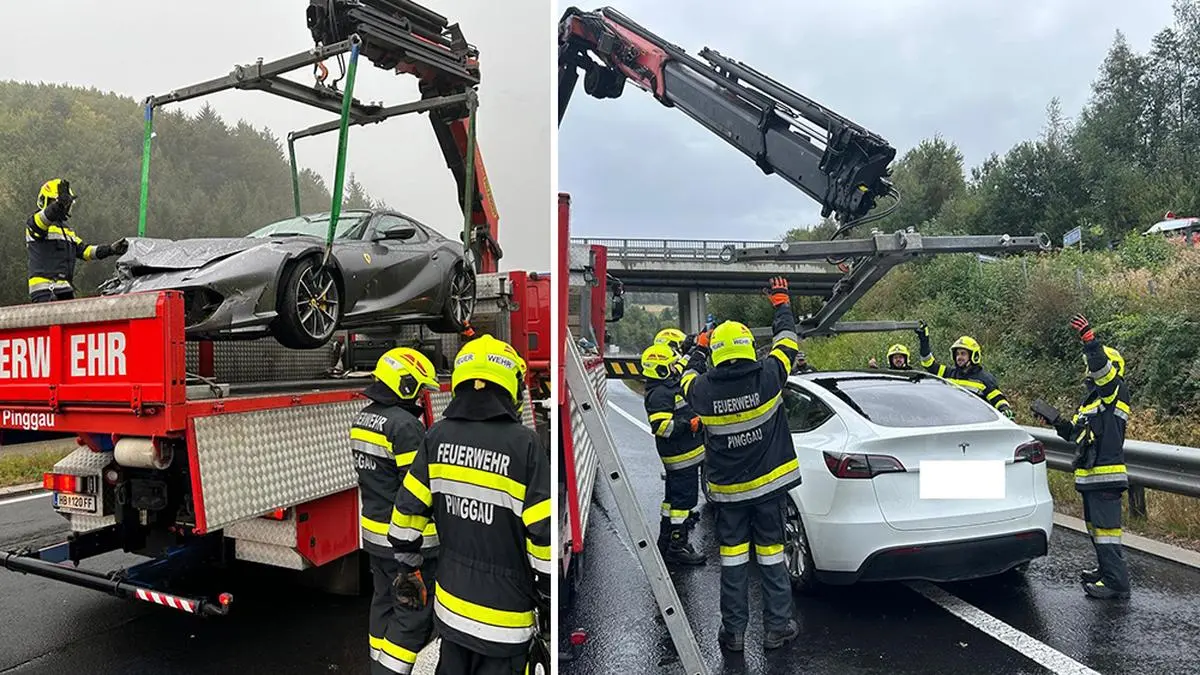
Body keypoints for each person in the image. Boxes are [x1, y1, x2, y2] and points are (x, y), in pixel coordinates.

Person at [388, 335, 550, 674]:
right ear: (509, 383)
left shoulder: (436, 436)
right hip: (505, 621)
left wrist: (407, 565)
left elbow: (406, 512)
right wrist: (548, 598)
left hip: (450, 613)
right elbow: (543, 536)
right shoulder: (525, 446)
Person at [680, 276, 801, 652]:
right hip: (768, 492)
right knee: (772, 559)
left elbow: (685, 378)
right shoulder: (769, 376)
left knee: (732, 566)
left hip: (729, 496)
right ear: (749, 348)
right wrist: (781, 305)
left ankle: (733, 634)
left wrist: (699, 349)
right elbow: (787, 344)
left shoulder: (702, 390)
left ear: (717, 352)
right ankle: (776, 629)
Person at [351, 347, 443, 675]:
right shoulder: (405, 427)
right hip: (407, 543)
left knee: (383, 604)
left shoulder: (364, 417)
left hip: (374, 537)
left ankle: (377, 663)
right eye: (418, 388)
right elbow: (415, 491)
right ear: (404, 385)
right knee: (413, 615)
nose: (420, 396)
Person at [1034, 314, 1132, 599]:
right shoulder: (1091, 403)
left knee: (1106, 531)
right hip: (1090, 475)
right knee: (1095, 530)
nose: (1088, 372)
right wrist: (1055, 421)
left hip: (1105, 475)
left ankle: (1116, 583)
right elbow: (1077, 436)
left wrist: (1090, 340)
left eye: (1093, 367)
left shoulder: (1114, 392)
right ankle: (1106, 571)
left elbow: (1102, 370)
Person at [641, 342, 706, 566]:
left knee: (672, 501)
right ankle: (678, 546)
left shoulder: (666, 385)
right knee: (683, 502)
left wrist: (700, 347)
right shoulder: (659, 394)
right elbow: (662, 428)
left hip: (682, 458)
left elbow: (683, 365)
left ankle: (666, 538)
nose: (674, 367)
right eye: (669, 365)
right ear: (659, 369)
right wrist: (690, 424)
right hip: (680, 458)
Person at [26, 179, 128, 303]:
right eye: (66, 203)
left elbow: (85, 251)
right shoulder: (36, 222)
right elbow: (41, 221)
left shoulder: (66, 230)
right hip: (45, 291)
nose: (68, 206)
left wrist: (110, 249)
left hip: (64, 290)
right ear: (51, 201)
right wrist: (57, 206)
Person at [916, 322, 1014, 418]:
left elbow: (998, 399)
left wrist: (1005, 409)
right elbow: (928, 363)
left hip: (975, 424)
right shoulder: (949, 373)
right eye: (957, 354)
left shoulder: (984, 379)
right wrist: (924, 340)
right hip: (950, 421)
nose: (959, 357)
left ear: (973, 356)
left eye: (963, 353)